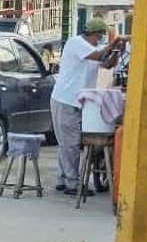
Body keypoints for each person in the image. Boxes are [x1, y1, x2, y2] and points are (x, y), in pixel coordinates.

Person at [50, 18, 127, 196]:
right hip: (65, 100)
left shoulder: (91, 49)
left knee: (68, 143)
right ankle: (72, 184)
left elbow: (107, 64)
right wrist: (113, 43)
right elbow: (99, 56)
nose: (100, 40)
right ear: (94, 34)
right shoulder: (76, 43)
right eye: (99, 36)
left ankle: (63, 179)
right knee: (70, 144)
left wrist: (116, 51)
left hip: (77, 101)